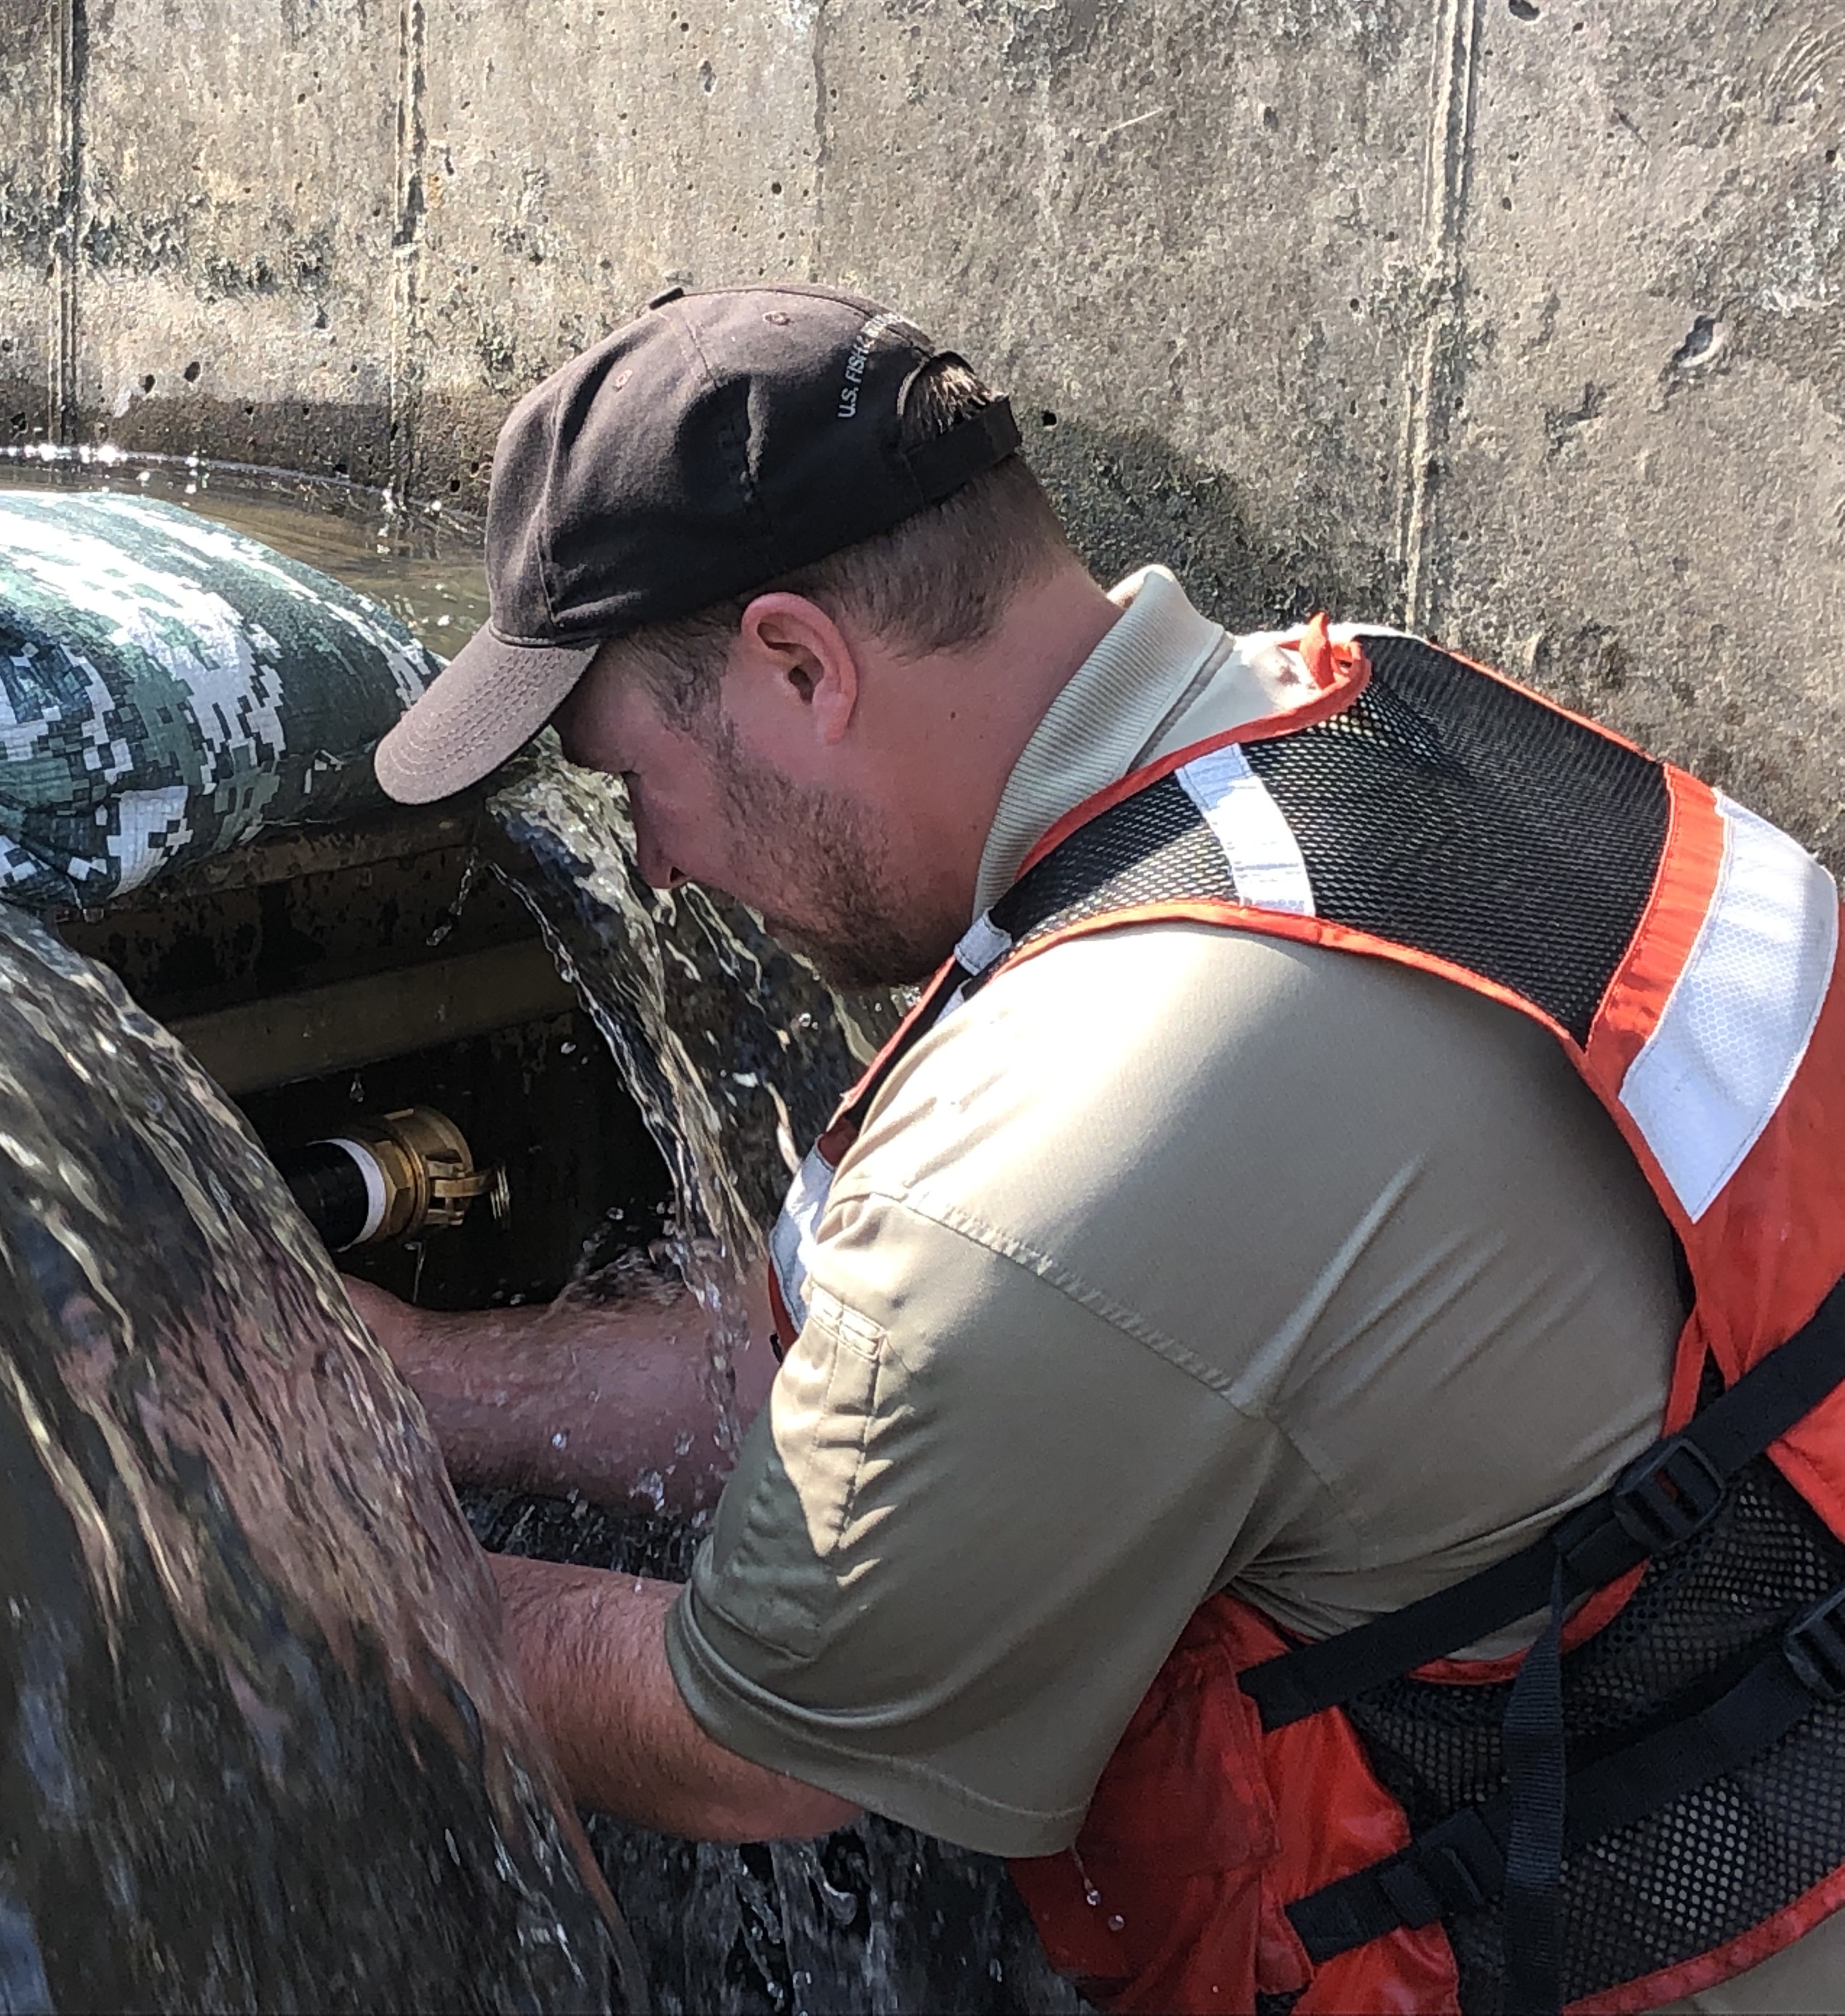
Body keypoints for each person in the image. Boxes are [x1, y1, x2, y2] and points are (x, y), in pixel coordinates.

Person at [343, 283, 1845, 2013]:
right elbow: (932, 1399)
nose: (654, 868)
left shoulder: (1088, 1116)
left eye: (629, 783)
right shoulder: (1376, 727)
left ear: (797, 666)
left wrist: (340, 1563)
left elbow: (745, 1740)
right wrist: (409, 1379)